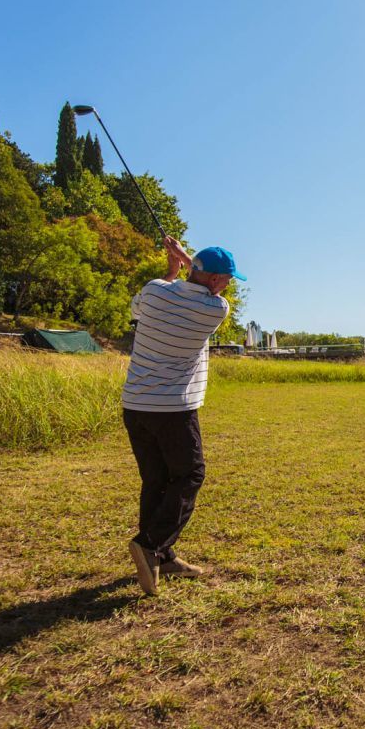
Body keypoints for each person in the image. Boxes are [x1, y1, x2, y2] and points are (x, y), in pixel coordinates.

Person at [123, 235, 244, 595]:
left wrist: (172, 270)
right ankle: (150, 545)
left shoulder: (155, 290)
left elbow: (136, 312)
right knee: (191, 474)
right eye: (227, 279)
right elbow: (203, 284)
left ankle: (162, 558)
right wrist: (185, 261)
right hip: (173, 407)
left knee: (156, 481)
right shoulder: (215, 309)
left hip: (135, 405)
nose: (227, 285)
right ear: (215, 281)